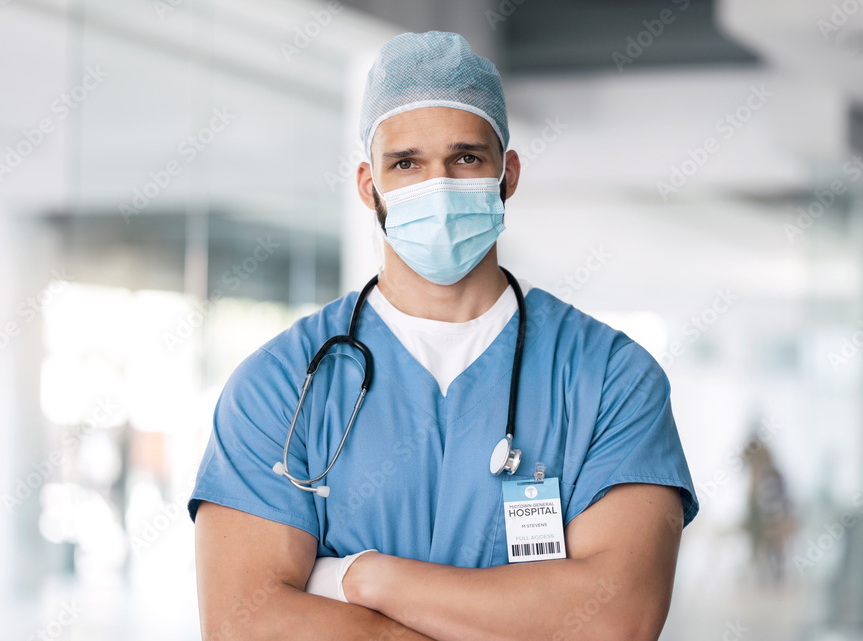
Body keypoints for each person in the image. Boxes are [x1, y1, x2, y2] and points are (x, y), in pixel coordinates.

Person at [189, 31, 698, 641]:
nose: (439, 186)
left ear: (507, 174)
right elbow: (243, 622)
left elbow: (617, 619)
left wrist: (364, 578)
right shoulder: (279, 384)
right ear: (366, 184)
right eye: (406, 163)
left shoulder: (611, 378)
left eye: (466, 158)